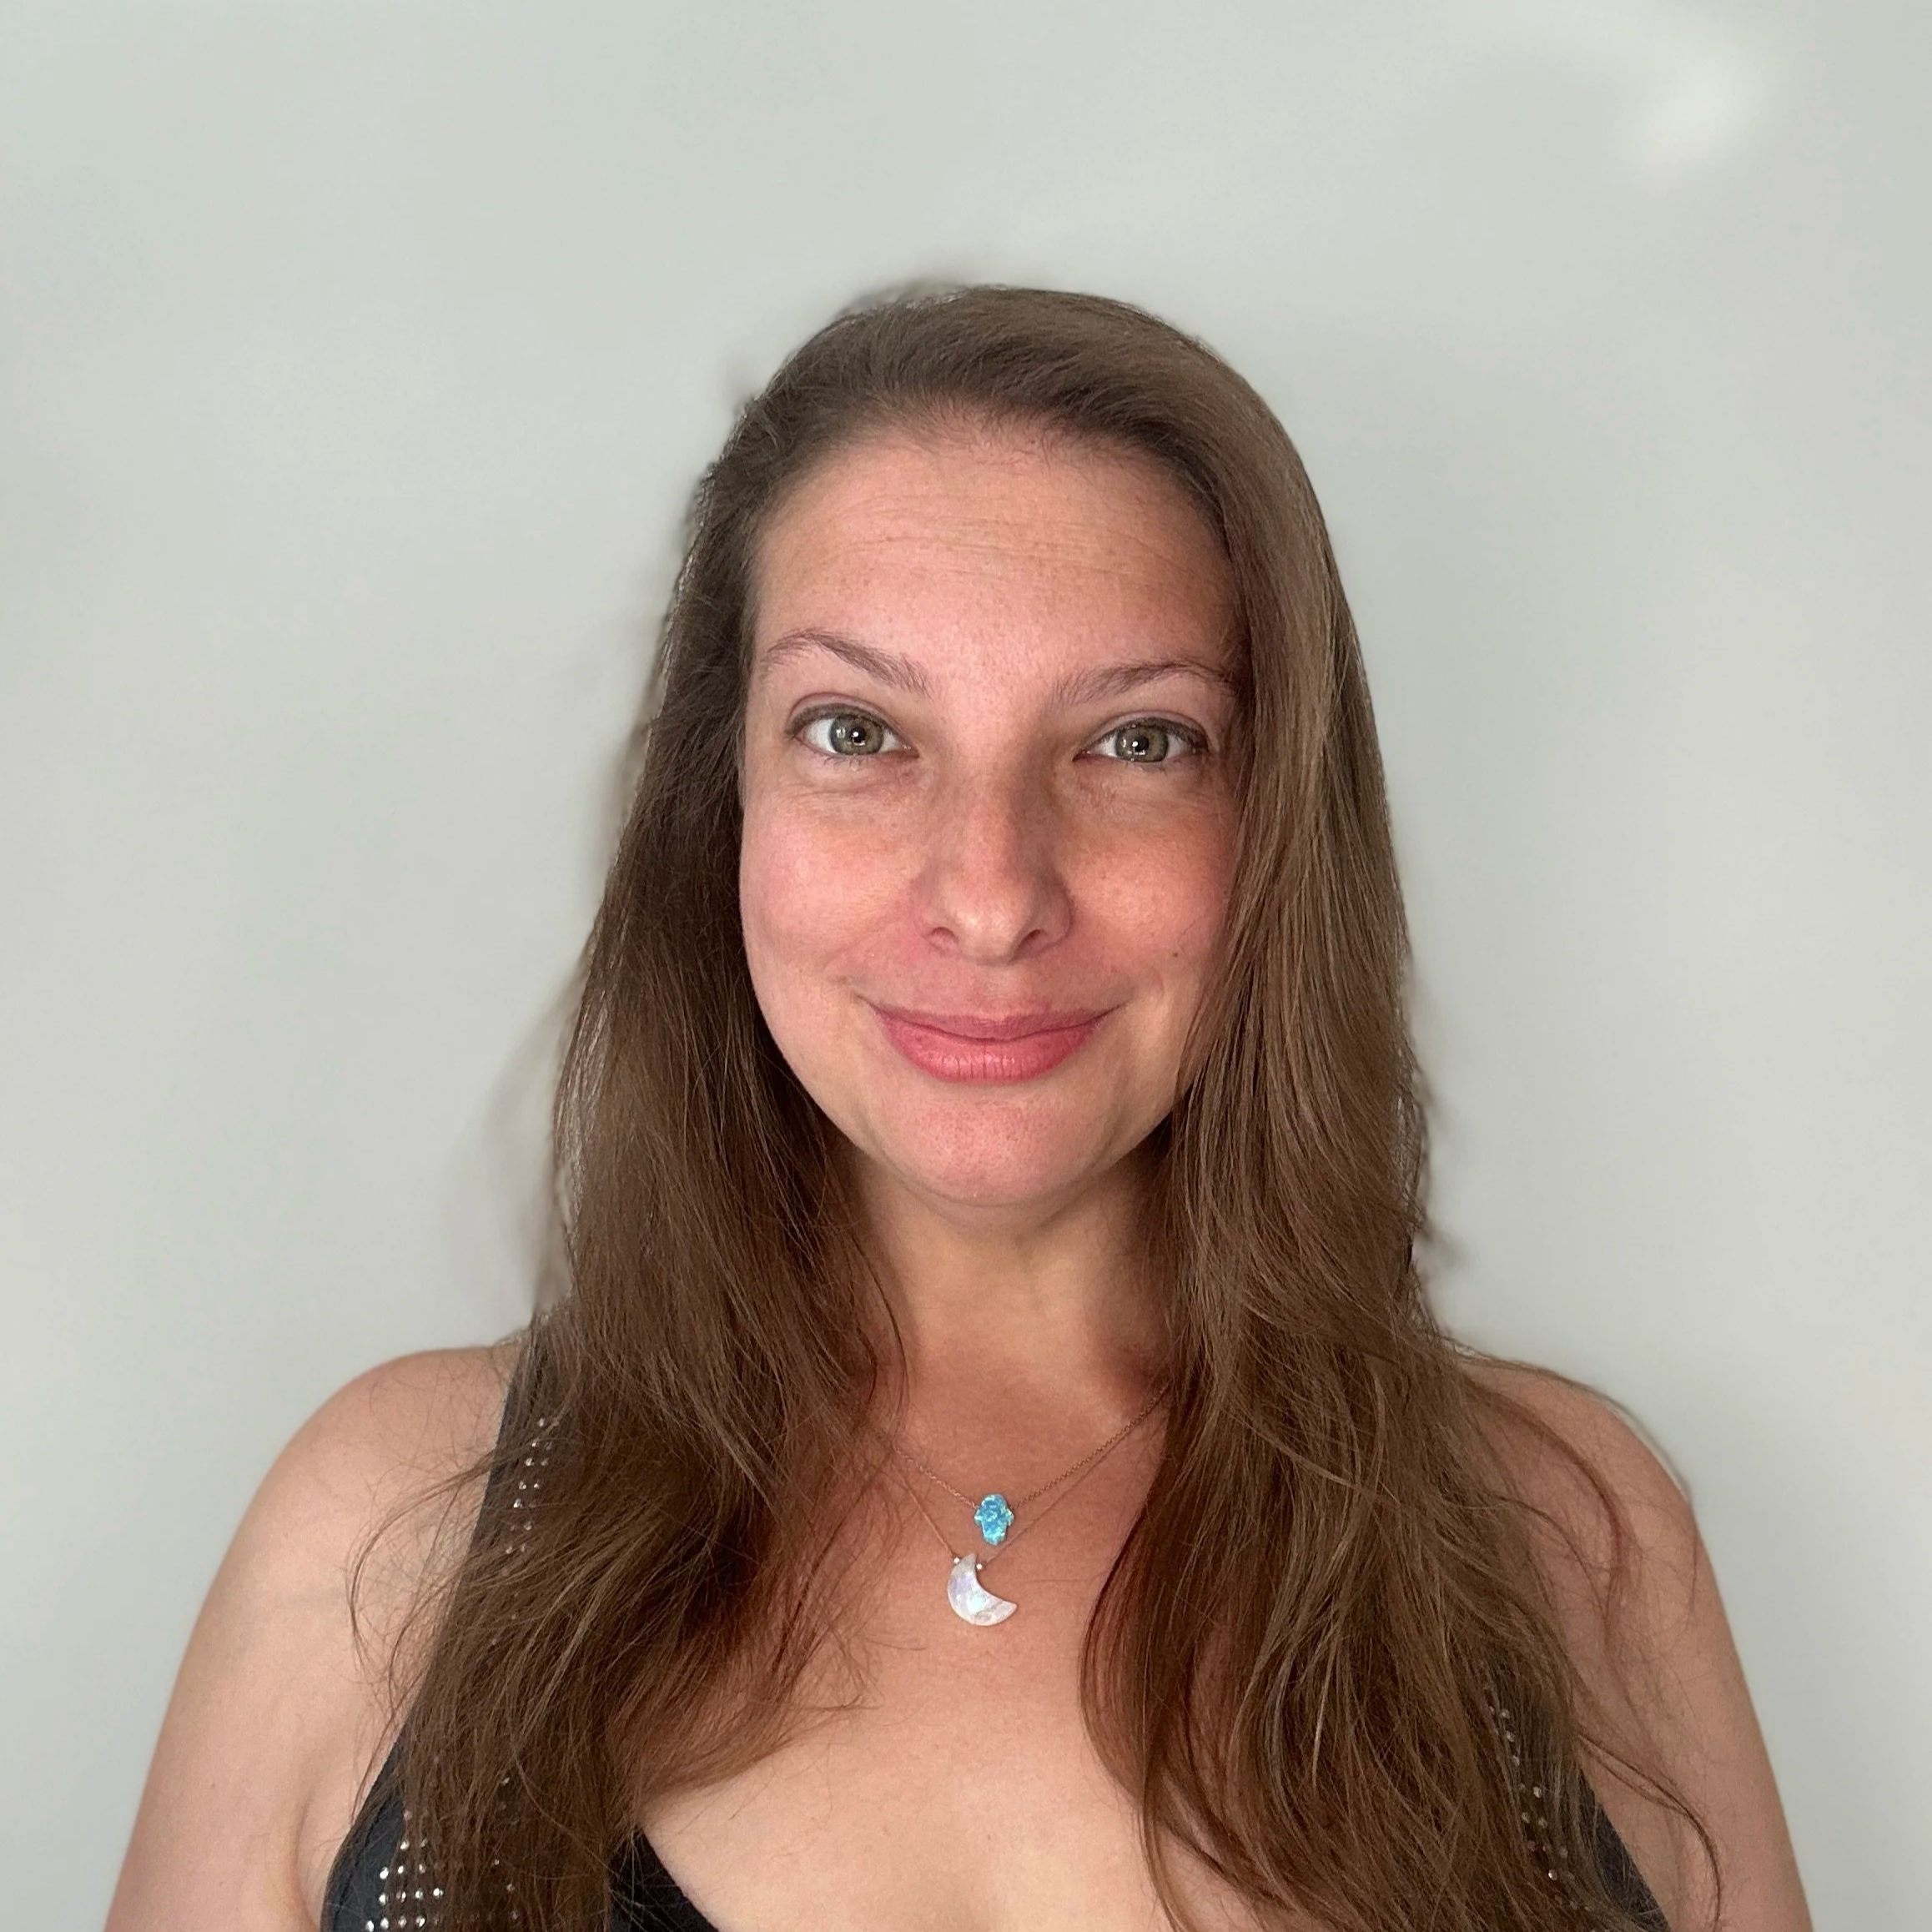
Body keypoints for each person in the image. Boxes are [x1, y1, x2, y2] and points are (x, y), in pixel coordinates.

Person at [106, 285, 1811, 1932]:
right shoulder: (400, 1533)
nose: (992, 895)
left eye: (1138, 744)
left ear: (1277, 830)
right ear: (724, 815)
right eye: (859, 731)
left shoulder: (1552, 1540)